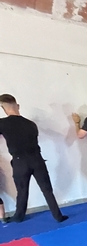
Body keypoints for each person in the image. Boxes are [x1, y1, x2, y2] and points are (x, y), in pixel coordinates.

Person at [0, 94, 68, 223]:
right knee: (47, 190)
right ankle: (58, 216)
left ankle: (19, 217)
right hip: (37, 159)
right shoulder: (31, 124)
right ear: (18, 106)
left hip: (20, 161)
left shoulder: (2, 123)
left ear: (3, 108)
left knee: (22, 191)